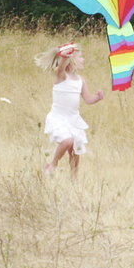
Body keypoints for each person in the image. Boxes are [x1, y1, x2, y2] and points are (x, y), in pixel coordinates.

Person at [34, 42, 104, 177]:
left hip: (73, 119)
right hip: (58, 117)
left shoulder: (81, 80)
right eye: (80, 57)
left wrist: (97, 97)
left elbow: (88, 99)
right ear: (71, 61)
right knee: (67, 141)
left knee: (75, 150)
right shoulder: (61, 76)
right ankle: (53, 164)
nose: (83, 59)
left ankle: (74, 178)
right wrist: (64, 57)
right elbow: (61, 68)